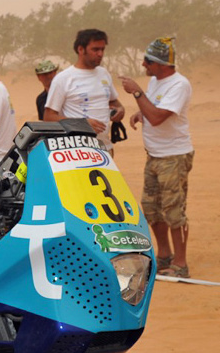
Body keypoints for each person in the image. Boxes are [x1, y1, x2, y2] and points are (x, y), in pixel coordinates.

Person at [119, 37, 194, 278]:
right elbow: (153, 109)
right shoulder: (155, 81)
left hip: (174, 157)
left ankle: (180, 264)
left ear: (161, 63)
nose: (143, 64)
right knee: (151, 209)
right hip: (154, 155)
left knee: (174, 211)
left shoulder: (179, 84)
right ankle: (164, 256)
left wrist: (137, 92)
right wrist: (140, 113)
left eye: (148, 61)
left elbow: (159, 117)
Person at [44, 29, 125, 151]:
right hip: (77, 151)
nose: (100, 54)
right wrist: (82, 124)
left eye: (102, 49)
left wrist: (120, 110)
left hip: (105, 148)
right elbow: (49, 117)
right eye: (95, 49)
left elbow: (114, 103)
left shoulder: (104, 74)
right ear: (81, 49)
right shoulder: (63, 79)